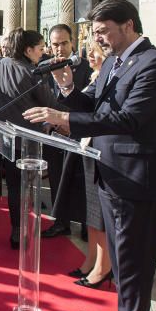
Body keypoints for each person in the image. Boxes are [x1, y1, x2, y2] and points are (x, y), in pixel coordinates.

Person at [25, 0, 156, 311]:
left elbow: (129, 118)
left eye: (103, 32)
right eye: (94, 34)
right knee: (123, 260)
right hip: (110, 173)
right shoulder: (112, 62)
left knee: (135, 260)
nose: (99, 40)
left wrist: (64, 116)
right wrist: (65, 90)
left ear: (127, 25)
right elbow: (89, 104)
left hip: (138, 179)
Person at [0, 29, 59, 247]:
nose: (43, 53)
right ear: (28, 50)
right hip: (19, 137)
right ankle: (16, 234)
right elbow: (51, 104)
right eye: (41, 49)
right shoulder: (32, 73)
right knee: (16, 185)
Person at [60, 40, 113, 287]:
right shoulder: (95, 76)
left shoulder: (112, 75)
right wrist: (67, 86)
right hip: (87, 146)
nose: (89, 54)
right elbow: (83, 104)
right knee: (92, 212)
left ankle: (103, 267)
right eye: (89, 50)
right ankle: (91, 258)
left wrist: (63, 118)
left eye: (95, 50)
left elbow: (99, 115)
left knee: (101, 215)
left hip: (104, 149)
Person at [42, 24, 94, 239]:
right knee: (56, 178)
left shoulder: (85, 68)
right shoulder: (44, 67)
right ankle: (61, 222)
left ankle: (85, 225)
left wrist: (69, 122)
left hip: (78, 133)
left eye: (64, 43)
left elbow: (87, 101)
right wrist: (50, 123)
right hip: (53, 133)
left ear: (72, 42)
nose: (59, 48)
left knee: (81, 180)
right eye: (55, 44)